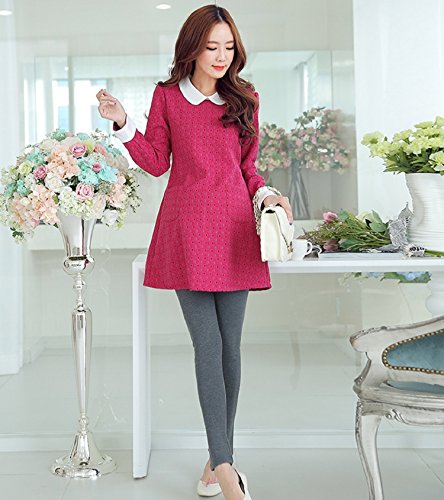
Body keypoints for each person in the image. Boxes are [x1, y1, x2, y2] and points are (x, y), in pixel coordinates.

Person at [97, 4, 293, 499]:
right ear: (192, 48)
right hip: (187, 231)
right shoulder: (167, 97)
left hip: (236, 230)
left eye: (228, 47)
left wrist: (268, 194)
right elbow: (155, 162)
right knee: (208, 347)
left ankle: (214, 461)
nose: (221, 56)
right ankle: (225, 468)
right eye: (211, 47)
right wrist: (123, 123)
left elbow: (247, 168)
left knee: (231, 349)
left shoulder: (245, 98)